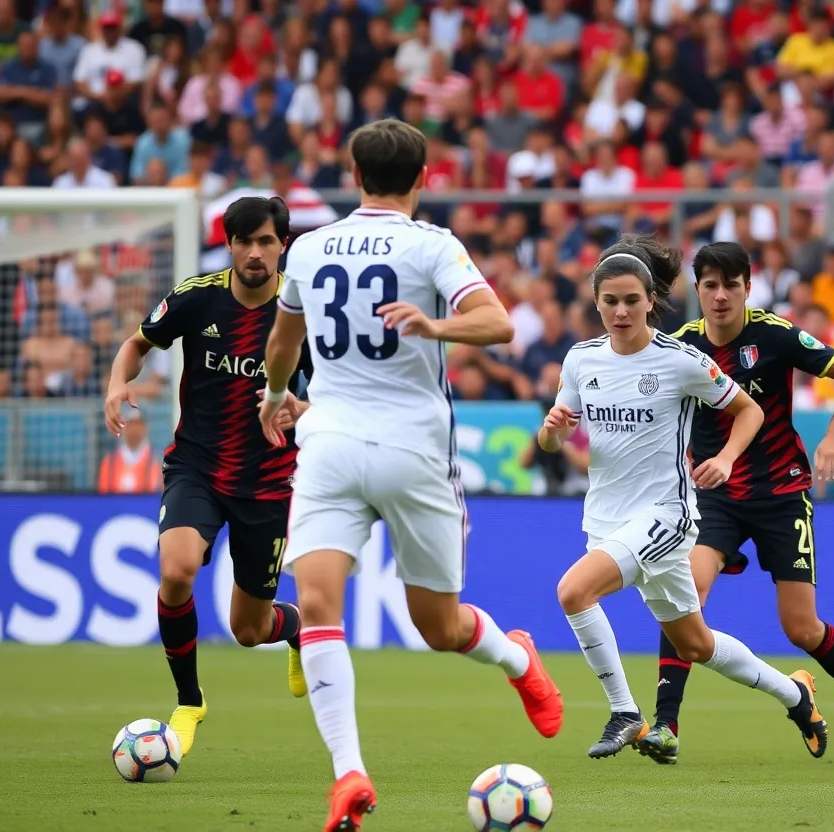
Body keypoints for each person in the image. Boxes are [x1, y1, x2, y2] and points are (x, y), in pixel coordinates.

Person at [258, 119, 562, 832]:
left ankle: (518, 658)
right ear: (424, 178)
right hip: (340, 441)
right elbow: (498, 323)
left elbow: (281, 343)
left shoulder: (306, 247)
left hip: (403, 450)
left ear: (353, 172)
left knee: (438, 626)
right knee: (321, 603)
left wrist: (274, 396)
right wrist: (439, 326)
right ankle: (349, 775)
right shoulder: (434, 245)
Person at [540, 236, 827, 762]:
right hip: (605, 516)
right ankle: (796, 694)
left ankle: (625, 712)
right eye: (610, 301)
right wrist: (553, 431)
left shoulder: (680, 360)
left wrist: (727, 458)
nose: (621, 311)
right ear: (597, 302)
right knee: (696, 644)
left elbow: (751, 411)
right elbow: (552, 439)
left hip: (665, 515)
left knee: (574, 592)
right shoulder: (580, 359)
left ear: (651, 300)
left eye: (631, 300)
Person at [642, 242, 834, 768]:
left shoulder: (776, 335)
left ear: (747, 289)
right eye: (709, 286)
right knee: (685, 594)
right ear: (698, 291)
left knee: (800, 628)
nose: (719, 297)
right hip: (715, 494)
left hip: (783, 494)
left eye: (729, 286)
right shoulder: (680, 347)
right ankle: (666, 724)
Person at [102, 196, 314, 758]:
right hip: (197, 466)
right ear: (229, 245)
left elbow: (340, 401)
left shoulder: (305, 311)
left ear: (282, 245)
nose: (253, 251)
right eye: (243, 241)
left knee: (248, 629)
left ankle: (291, 626)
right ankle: (190, 701)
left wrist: (304, 409)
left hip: (269, 482)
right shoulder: (196, 299)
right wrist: (117, 384)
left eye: (265, 240)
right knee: (177, 571)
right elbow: (136, 345)